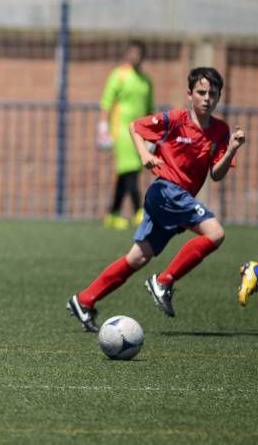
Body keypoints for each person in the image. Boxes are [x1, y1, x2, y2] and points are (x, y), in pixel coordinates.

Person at [68, 67, 245, 332]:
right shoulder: (175, 119)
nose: (207, 98)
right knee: (215, 233)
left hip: (177, 200)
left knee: (138, 258)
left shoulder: (220, 131)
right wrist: (144, 155)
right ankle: (164, 281)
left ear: (219, 97)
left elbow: (217, 174)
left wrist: (231, 149)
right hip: (165, 192)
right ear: (189, 94)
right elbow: (135, 126)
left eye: (213, 93)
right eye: (201, 92)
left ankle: (84, 300)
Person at [98, 40, 154, 230]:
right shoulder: (119, 75)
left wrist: (152, 135)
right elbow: (107, 101)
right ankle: (139, 210)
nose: (135, 56)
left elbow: (149, 109)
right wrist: (103, 127)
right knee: (131, 169)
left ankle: (113, 214)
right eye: (132, 53)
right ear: (127, 54)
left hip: (140, 131)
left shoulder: (146, 81)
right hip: (121, 129)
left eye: (139, 53)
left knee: (126, 171)